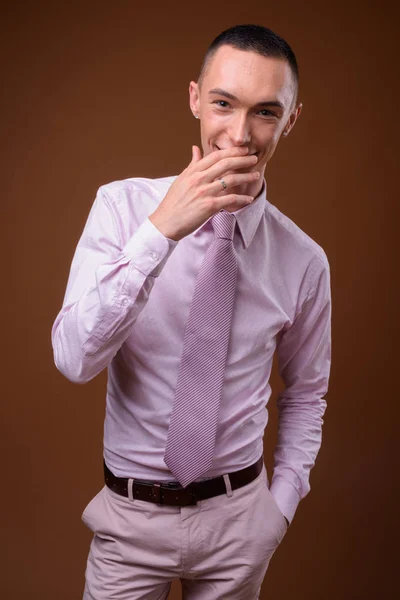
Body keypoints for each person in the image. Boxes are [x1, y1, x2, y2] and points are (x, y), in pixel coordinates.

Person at [51, 23, 332, 600]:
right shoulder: (122, 209)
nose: (240, 134)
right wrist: (160, 233)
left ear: (290, 120)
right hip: (129, 524)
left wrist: (277, 510)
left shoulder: (304, 261)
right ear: (195, 99)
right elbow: (74, 359)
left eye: (265, 112)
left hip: (239, 525)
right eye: (224, 104)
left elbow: (306, 394)